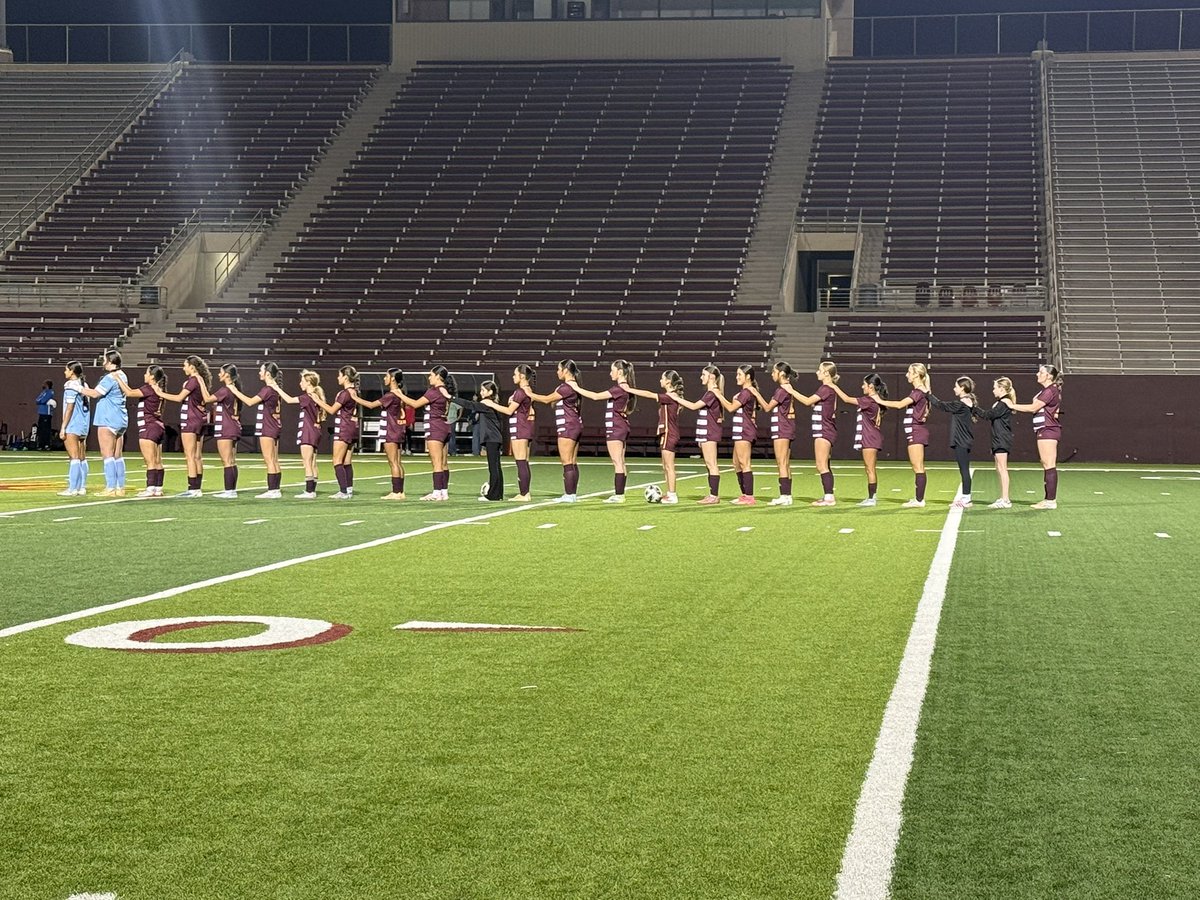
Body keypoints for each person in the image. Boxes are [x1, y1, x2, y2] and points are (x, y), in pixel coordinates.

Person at [568, 360, 636, 504]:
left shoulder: (619, 389)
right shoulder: (625, 388)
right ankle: (620, 493)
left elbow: (595, 396)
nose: (610, 373)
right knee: (621, 462)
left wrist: (576, 387)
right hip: (621, 426)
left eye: (612, 370)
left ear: (620, 372)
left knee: (617, 462)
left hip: (616, 427)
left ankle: (619, 495)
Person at [778, 361, 840, 507]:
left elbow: (807, 401)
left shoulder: (826, 388)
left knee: (821, 464)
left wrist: (791, 391)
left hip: (824, 430)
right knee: (825, 464)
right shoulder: (828, 389)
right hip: (825, 429)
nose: (817, 372)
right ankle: (828, 495)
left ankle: (829, 497)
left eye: (820, 370)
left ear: (826, 373)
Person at [1004, 363, 1064, 510]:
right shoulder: (1048, 391)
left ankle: (1050, 501)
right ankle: (1048, 499)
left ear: (1048, 376)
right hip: (1045, 429)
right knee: (1046, 464)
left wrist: (1012, 405)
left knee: (1049, 464)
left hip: (1048, 429)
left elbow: (1033, 408)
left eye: (1041, 372)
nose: (1037, 374)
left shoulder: (1050, 390)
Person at [623, 370, 688, 504]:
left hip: (670, 433)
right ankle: (669, 493)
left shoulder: (671, 396)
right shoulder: (670, 397)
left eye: (662, 378)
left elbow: (649, 394)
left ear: (668, 382)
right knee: (665, 465)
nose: (660, 381)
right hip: (666, 433)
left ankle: (672, 495)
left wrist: (630, 390)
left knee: (669, 466)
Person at [874, 362, 932, 508]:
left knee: (918, 466)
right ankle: (918, 498)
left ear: (916, 374)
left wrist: (880, 400)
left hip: (916, 431)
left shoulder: (918, 392)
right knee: (916, 466)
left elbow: (900, 404)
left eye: (909, 372)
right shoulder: (919, 391)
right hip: (914, 431)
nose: (907, 375)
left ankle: (919, 500)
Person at [153, 355, 212, 498]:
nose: (183, 368)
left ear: (192, 367)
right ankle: (197, 488)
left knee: (190, 455)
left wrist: (160, 393)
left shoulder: (192, 380)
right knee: (197, 455)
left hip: (191, 419)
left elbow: (179, 398)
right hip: (200, 418)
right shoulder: (200, 380)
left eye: (185, 365)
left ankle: (192, 488)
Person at [225, 363, 286, 499]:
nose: (259, 373)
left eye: (261, 370)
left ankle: (273, 490)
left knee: (269, 460)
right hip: (274, 425)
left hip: (268, 426)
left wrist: (235, 391)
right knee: (274, 460)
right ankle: (275, 489)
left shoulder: (268, 389)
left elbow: (250, 402)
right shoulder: (274, 389)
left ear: (268, 374)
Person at [527, 360, 584, 503]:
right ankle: (572, 493)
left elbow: (546, 400)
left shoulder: (566, 387)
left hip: (567, 426)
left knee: (566, 462)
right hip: (575, 424)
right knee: (572, 461)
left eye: (559, 369)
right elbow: (554, 401)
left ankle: (569, 494)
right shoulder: (571, 386)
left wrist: (529, 394)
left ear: (565, 370)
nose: (557, 372)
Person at [829, 372, 888, 507]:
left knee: (870, 468)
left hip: (870, 437)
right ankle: (871, 496)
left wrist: (834, 386)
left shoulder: (869, 400)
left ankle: (872, 498)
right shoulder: (874, 399)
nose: (862, 387)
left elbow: (847, 399)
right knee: (869, 468)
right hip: (870, 436)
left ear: (871, 386)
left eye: (864, 384)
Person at [350, 367, 409, 500]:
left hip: (391, 430)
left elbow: (371, 405)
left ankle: (396, 492)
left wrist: (355, 397)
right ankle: (400, 491)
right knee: (398, 462)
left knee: (393, 462)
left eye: (386, 376)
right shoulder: (400, 392)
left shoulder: (391, 395)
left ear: (393, 378)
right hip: (398, 430)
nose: (384, 378)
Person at [398, 366, 455, 501]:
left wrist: (400, 395)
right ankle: (443, 492)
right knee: (443, 463)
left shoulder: (434, 391)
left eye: (431, 375)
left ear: (437, 376)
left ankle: (436, 492)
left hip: (435, 428)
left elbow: (415, 404)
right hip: (444, 426)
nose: (429, 377)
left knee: (436, 462)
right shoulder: (445, 390)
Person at [77, 350, 129, 497]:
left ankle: (110, 487)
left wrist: (78, 388)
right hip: (121, 418)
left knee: (107, 455)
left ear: (111, 362)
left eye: (105, 360)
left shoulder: (109, 377)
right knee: (118, 455)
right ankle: (120, 487)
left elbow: (95, 394)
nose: (103, 363)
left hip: (108, 418)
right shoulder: (123, 375)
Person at [480, 365, 535, 501]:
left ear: (522, 376)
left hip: (520, 427)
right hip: (524, 426)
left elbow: (509, 411)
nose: (513, 376)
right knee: (524, 461)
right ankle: (525, 492)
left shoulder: (520, 391)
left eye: (515, 374)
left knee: (521, 461)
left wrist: (491, 404)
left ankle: (524, 494)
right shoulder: (527, 391)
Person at [111, 365, 168, 497]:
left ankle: (150, 488)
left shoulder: (149, 388)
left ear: (152, 376)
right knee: (158, 460)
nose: (144, 375)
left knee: (150, 461)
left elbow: (130, 393)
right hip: (158, 425)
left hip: (148, 426)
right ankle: (158, 488)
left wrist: (118, 379)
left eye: (146, 373)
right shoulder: (159, 389)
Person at [671, 365, 725, 505]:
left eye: (704, 374)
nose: (701, 377)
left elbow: (694, 406)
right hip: (705, 432)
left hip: (710, 432)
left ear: (711, 377)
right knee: (709, 464)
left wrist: (676, 398)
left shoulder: (712, 393)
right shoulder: (709, 393)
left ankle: (714, 495)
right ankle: (712, 494)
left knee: (711, 463)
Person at [268, 369, 325, 498]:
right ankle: (312, 490)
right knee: (313, 462)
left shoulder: (307, 397)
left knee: (307, 462)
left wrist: (276, 388)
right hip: (316, 431)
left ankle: (309, 491)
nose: (300, 383)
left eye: (302, 381)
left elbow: (288, 400)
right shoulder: (316, 396)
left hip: (308, 431)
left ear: (309, 382)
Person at [308, 365, 363, 500]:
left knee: (337, 460)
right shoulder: (355, 391)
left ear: (345, 377)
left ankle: (343, 491)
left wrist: (317, 401)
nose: (338, 378)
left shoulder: (344, 393)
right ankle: (348, 489)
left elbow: (332, 410)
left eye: (339, 375)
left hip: (344, 428)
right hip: (353, 427)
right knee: (347, 461)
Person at [751, 362, 798, 506]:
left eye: (774, 372)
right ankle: (787, 495)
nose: (772, 374)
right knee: (785, 463)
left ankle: (784, 495)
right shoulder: (786, 389)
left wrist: (755, 393)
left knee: (781, 462)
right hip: (786, 427)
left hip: (782, 428)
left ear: (781, 374)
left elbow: (766, 407)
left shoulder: (781, 390)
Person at [928, 377, 978, 509]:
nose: (954, 388)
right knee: (964, 469)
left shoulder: (961, 403)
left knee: (964, 470)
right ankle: (966, 497)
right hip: (964, 439)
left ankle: (966, 498)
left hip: (962, 440)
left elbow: (941, 405)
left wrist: (928, 395)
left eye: (956, 386)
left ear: (962, 388)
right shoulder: (967, 402)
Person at [713, 365, 759, 505]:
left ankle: (749, 496)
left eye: (740, 374)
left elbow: (731, 408)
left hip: (744, 431)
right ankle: (744, 494)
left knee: (744, 463)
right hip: (740, 430)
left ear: (748, 377)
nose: (737, 377)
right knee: (736, 463)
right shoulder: (744, 393)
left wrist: (719, 395)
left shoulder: (746, 392)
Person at [455, 381, 507, 501]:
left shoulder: (487, 404)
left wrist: (452, 398)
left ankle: (493, 495)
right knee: (496, 467)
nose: (481, 392)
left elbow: (470, 405)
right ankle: (498, 494)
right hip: (495, 438)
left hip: (492, 438)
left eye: (483, 390)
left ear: (490, 392)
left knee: (493, 467)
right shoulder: (492, 404)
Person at [973, 377, 1016, 509]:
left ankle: (1006, 499)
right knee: (999, 468)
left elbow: (988, 415)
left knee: (1003, 468)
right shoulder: (1001, 402)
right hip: (998, 437)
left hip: (1002, 438)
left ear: (1002, 389)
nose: (993, 390)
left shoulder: (1004, 402)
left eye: (995, 388)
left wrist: (973, 407)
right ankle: (1003, 497)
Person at [207, 364, 244, 498]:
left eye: (220, 372)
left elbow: (206, 399)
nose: (218, 374)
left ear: (227, 375)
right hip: (233, 425)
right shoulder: (234, 389)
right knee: (231, 461)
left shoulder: (225, 390)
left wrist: (200, 382)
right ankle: (231, 490)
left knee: (227, 461)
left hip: (226, 427)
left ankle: (229, 491)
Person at [57, 361, 91, 497]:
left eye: (66, 370)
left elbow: (69, 408)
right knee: (82, 457)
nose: (65, 372)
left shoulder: (70, 386)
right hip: (83, 424)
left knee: (74, 458)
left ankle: (72, 488)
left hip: (73, 424)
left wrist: (63, 427)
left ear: (72, 371)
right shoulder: (84, 385)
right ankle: (81, 487)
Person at [35, 381, 55, 451]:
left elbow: (43, 400)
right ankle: (41, 444)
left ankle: (47, 444)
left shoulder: (50, 392)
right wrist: (40, 401)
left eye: (45, 384)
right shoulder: (43, 392)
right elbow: (37, 400)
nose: (43, 385)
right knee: (41, 429)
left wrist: (41, 401)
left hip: (46, 413)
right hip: (41, 413)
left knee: (46, 429)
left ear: (48, 385)